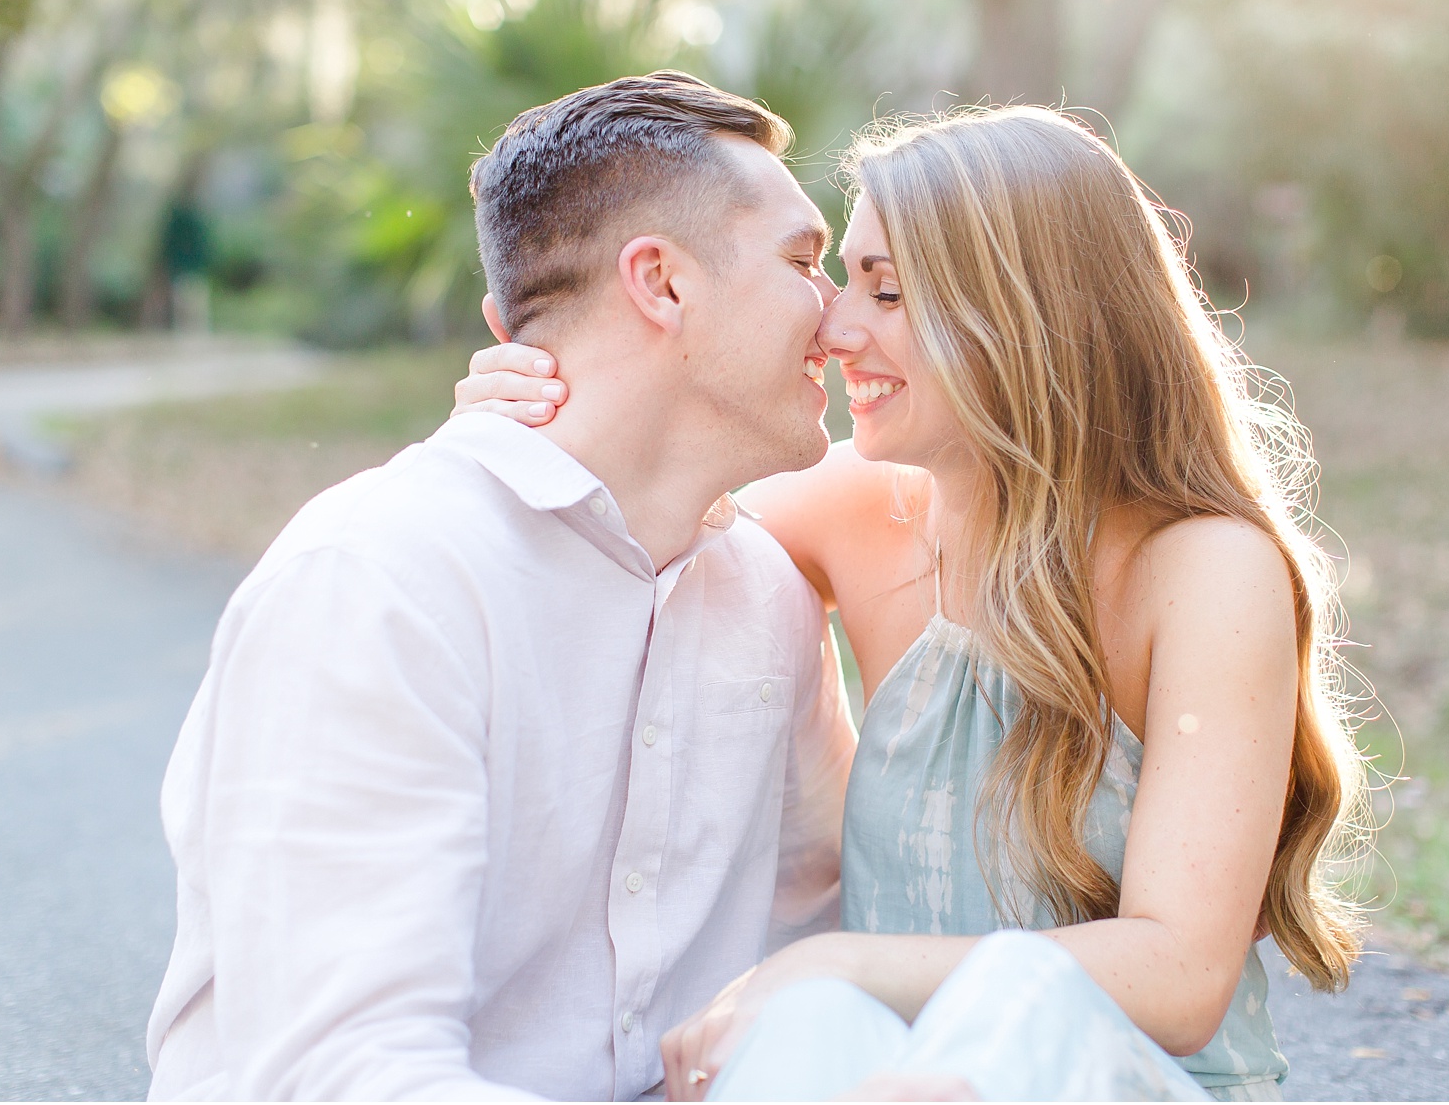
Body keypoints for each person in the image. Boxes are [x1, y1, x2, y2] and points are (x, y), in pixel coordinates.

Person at [456, 106, 1371, 1101]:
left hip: (1119, 1078)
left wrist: (834, 962)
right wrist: (526, 413)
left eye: (884, 289)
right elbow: (613, 530)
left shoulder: (1202, 570)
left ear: (1026, 313)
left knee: (952, 998)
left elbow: (1184, 971)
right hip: (887, 1078)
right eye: (843, 278)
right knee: (815, 1031)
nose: (836, 324)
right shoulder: (852, 509)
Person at [143, 72, 860, 1100]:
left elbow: (828, 925)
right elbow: (344, 1074)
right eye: (804, 261)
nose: (836, 317)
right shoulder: (381, 581)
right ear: (660, 282)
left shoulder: (764, 595)